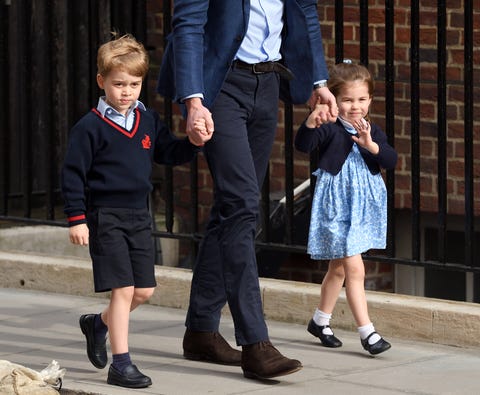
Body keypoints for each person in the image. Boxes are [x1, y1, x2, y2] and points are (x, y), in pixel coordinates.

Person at [157, 0, 338, 380]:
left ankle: (202, 330)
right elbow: (188, 24)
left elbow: (304, 11)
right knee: (241, 207)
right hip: (220, 87)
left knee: (233, 207)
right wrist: (193, 101)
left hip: (268, 83)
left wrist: (318, 80)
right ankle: (256, 342)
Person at [61, 34, 211, 389]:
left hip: (138, 216)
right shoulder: (90, 127)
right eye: (118, 84)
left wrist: (192, 143)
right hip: (105, 216)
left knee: (144, 291)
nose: (126, 91)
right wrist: (77, 219)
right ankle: (121, 364)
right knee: (124, 289)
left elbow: (167, 153)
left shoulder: (147, 119)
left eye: (134, 84)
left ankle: (98, 324)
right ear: (102, 82)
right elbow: (72, 175)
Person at [295, 61, 397, 355]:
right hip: (337, 207)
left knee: (338, 270)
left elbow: (391, 160)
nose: (355, 106)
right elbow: (303, 144)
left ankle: (320, 321)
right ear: (335, 101)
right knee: (355, 269)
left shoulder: (372, 130)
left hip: (363, 208)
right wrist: (312, 121)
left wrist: (371, 145)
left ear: (370, 100)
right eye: (348, 100)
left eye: (362, 99)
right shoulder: (329, 129)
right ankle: (368, 333)